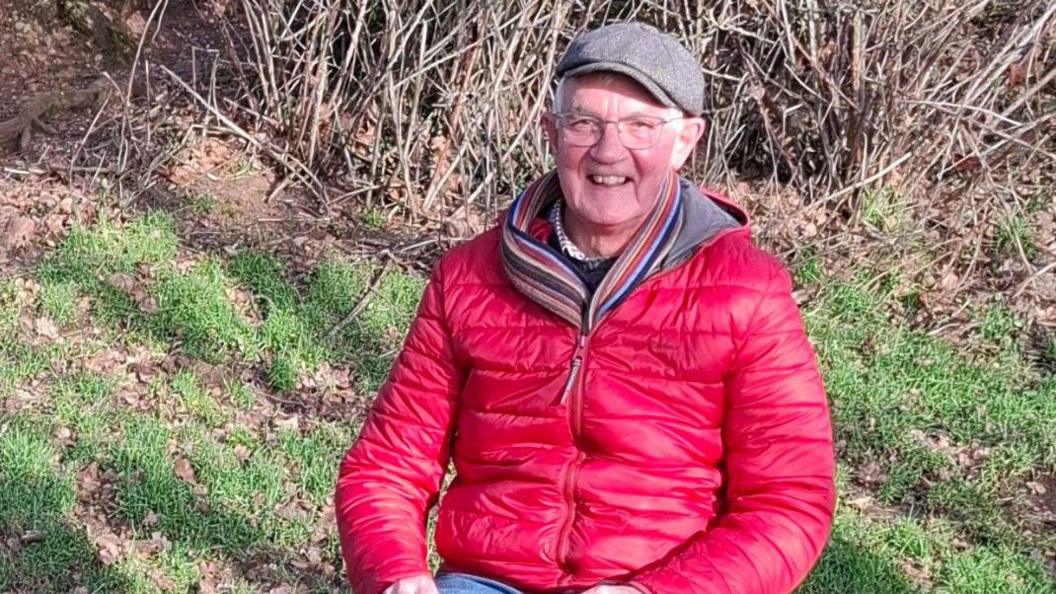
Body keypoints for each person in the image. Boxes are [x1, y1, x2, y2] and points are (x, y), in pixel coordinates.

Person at [335, 22, 835, 594]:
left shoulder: (747, 292)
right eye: (585, 122)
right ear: (552, 131)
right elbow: (386, 467)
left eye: (640, 126)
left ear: (686, 140)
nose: (608, 150)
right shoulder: (467, 279)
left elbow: (788, 502)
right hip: (489, 580)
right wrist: (396, 573)